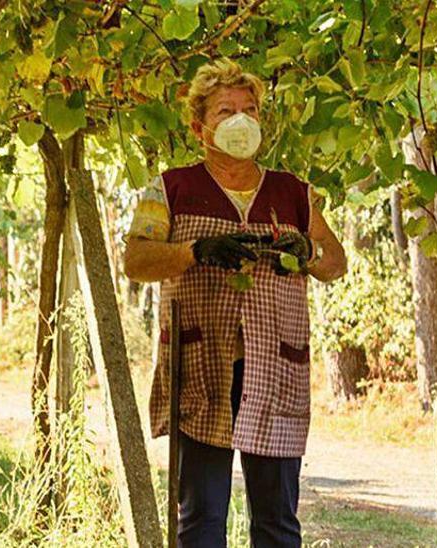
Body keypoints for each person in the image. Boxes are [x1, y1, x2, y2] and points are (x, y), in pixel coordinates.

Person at [124, 58, 347, 547]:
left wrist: (307, 252)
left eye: (249, 109)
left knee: (277, 521)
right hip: (202, 364)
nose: (240, 120)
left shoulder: (294, 193)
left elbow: (336, 262)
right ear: (198, 125)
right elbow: (135, 260)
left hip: (275, 368)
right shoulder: (171, 188)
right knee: (201, 519)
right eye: (226, 111)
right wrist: (193, 252)